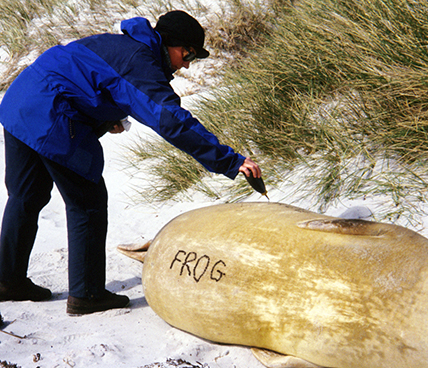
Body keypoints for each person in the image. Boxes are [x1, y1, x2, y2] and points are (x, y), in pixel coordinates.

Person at [0, 10, 261, 315]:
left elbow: (81, 77)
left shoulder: (118, 44)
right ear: (170, 44)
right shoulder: (140, 62)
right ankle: (87, 294)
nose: (188, 63)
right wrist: (231, 161)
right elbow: (171, 120)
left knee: (26, 196)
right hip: (51, 115)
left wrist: (105, 115)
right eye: (188, 53)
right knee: (88, 203)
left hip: (20, 102)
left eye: (195, 58)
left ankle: (8, 281)